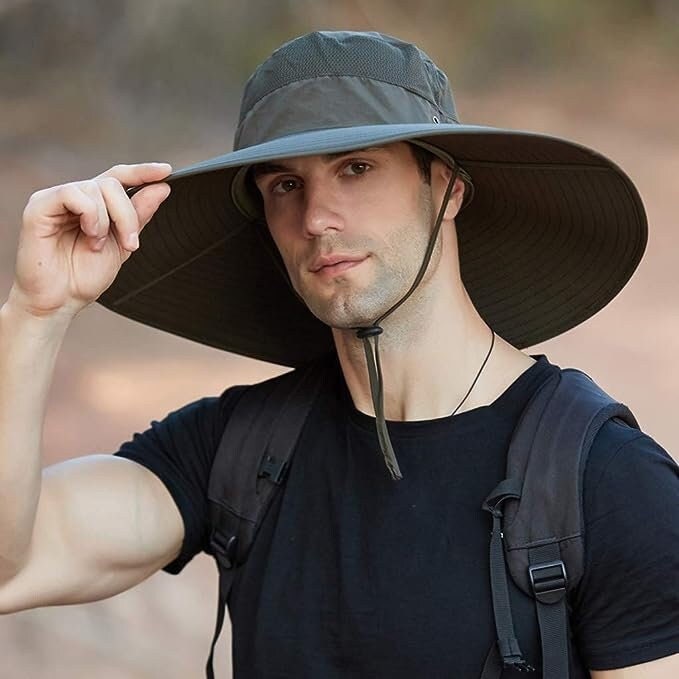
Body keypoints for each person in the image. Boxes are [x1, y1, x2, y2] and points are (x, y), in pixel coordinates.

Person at [1, 30, 677, 679]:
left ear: (445, 189)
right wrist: (35, 314)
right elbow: (12, 565)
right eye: (283, 185)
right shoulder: (238, 451)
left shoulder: (605, 482)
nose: (316, 217)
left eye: (356, 169)